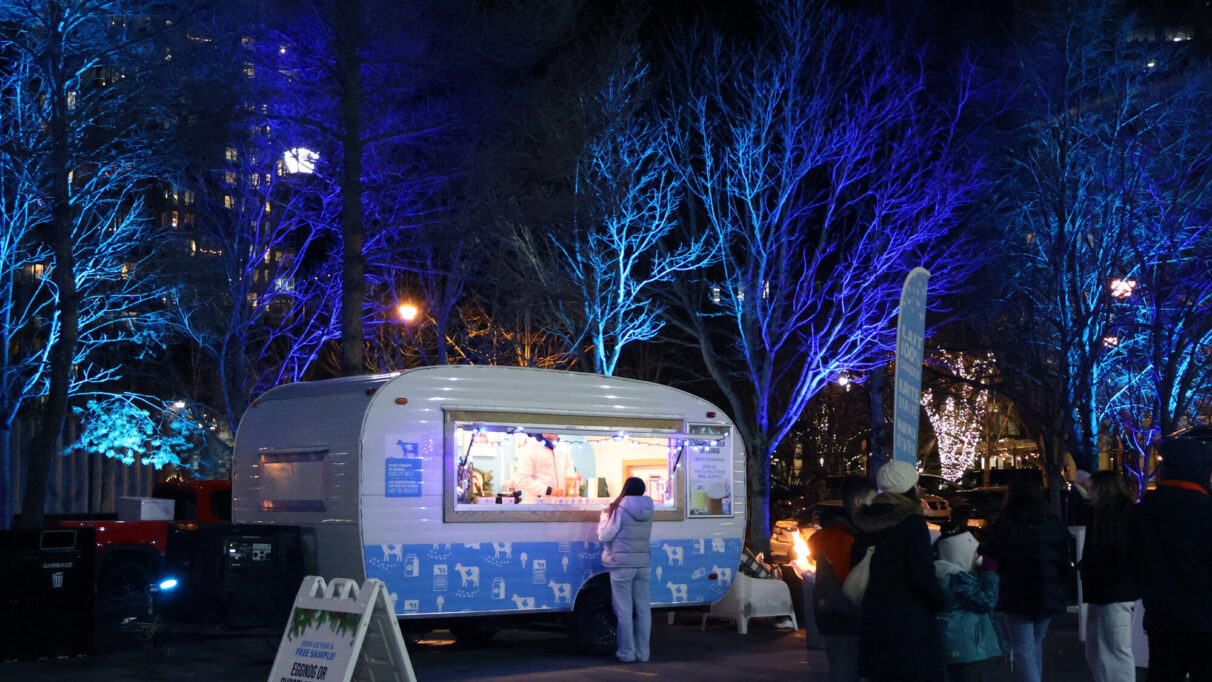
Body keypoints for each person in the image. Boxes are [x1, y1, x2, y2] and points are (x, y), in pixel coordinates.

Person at [851, 461, 945, 682]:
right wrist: (939, 601)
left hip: (873, 617)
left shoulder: (864, 520)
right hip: (909, 621)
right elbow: (921, 574)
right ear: (909, 488)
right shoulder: (912, 522)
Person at [980, 469, 1074, 682]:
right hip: (1049, 591)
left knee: (1023, 648)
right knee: (1035, 644)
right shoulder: (1052, 521)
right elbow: (1065, 551)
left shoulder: (1006, 522)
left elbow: (992, 556)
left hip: (1017, 592)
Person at [1134, 436, 1212, 681]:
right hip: (1204, 617)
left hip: (1161, 616)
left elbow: (1135, 560)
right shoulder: (1205, 509)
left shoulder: (1145, 510)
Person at [809, 475, 877, 682]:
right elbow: (851, 584)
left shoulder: (842, 533)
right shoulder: (842, 538)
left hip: (838, 614)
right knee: (844, 671)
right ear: (858, 502)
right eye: (872, 501)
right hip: (844, 616)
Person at [1080, 471, 1140, 682]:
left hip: (1112, 591)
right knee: (1103, 651)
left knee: (1112, 651)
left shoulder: (1113, 515)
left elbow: (1120, 554)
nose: (1089, 492)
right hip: (1110, 590)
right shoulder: (1116, 513)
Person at [597, 476, 655, 663]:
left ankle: (627, 653)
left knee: (624, 610)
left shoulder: (619, 508)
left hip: (622, 565)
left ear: (625, 488)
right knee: (644, 609)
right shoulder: (649, 508)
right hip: (643, 564)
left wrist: (604, 517)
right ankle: (643, 653)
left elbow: (605, 535)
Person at [935, 529, 1002, 682]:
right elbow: (987, 601)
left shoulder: (945, 574)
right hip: (963, 647)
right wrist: (989, 573)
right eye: (973, 552)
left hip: (959, 645)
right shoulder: (956, 579)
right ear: (960, 553)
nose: (976, 557)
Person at [515, 433, 577, 500]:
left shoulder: (563, 447)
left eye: (556, 432)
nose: (553, 435)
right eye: (548, 432)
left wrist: (572, 475)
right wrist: (549, 491)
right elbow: (522, 480)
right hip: (538, 505)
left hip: (561, 503)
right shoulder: (529, 449)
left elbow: (569, 466)